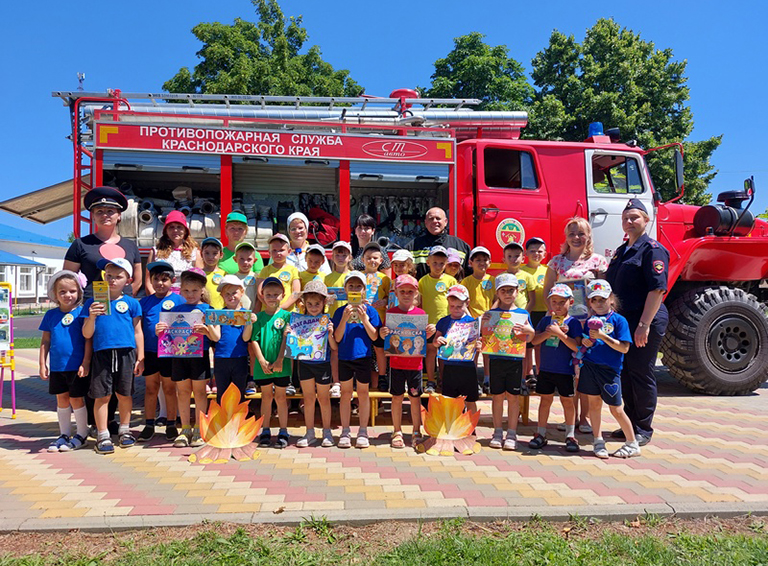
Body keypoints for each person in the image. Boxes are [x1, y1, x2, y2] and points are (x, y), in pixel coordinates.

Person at [605, 199, 669, 447]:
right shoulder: (622, 251)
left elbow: (657, 290)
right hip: (624, 320)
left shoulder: (652, 250)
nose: (629, 222)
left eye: (635, 217)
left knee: (641, 373)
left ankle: (643, 427)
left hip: (644, 318)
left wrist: (644, 325)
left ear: (647, 220)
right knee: (626, 373)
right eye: (626, 218)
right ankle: (630, 423)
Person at [542, 217, 609, 433]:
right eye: (572, 233)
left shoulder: (599, 262)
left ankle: (584, 418)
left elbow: (605, 291)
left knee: (585, 372)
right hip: (565, 326)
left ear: (588, 236)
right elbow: (547, 292)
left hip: (589, 324)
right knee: (569, 372)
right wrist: (555, 317)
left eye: (581, 233)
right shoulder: (556, 262)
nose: (577, 237)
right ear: (566, 237)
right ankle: (569, 419)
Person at [81, 258, 144, 455]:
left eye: (118, 277)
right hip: (102, 354)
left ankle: (125, 430)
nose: (112, 280)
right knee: (102, 395)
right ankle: (102, 433)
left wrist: (140, 357)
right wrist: (91, 317)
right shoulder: (93, 302)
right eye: (109, 276)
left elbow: (138, 331)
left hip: (126, 353)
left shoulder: (132, 303)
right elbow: (86, 334)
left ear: (128, 280)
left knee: (124, 393)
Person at [157, 268, 220, 449]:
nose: (190, 294)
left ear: (202, 290)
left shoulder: (208, 310)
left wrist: (206, 330)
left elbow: (216, 337)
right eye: (186, 290)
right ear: (180, 291)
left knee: (200, 393)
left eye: (194, 290)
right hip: (179, 357)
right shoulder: (175, 310)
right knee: (183, 392)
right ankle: (185, 429)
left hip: (199, 357)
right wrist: (159, 331)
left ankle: (200, 430)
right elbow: (166, 338)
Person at [577, 279, 640, 459]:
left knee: (616, 409)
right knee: (594, 404)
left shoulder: (619, 321)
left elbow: (624, 348)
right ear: (589, 302)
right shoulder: (589, 320)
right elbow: (585, 342)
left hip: (610, 370)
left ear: (611, 299)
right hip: (590, 367)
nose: (599, 303)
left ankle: (632, 443)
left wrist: (603, 336)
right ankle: (597, 441)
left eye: (602, 299)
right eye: (594, 300)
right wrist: (585, 342)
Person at [39, 270, 91, 452]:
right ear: (55, 294)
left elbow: (87, 340)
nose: (68, 295)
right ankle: (64, 434)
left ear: (79, 292)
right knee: (62, 399)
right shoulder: (50, 316)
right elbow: (45, 341)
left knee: (77, 399)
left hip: (76, 367)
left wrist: (85, 362)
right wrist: (42, 364)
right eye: (62, 292)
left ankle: (82, 434)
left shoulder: (82, 313)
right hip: (57, 367)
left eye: (72, 291)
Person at [380, 274, 434, 448]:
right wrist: (383, 333)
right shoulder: (391, 313)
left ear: (415, 293)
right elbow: (385, 336)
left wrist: (429, 333)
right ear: (396, 292)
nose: (405, 294)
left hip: (415, 365)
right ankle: (397, 431)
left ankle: (416, 431)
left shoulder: (421, 314)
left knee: (415, 398)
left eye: (409, 291)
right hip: (396, 364)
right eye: (402, 291)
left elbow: (423, 339)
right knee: (396, 398)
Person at [529, 284, 583, 453]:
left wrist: (561, 334)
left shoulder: (573, 323)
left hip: (565, 371)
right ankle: (541, 433)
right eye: (554, 302)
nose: (558, 306)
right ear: (549, 303)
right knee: (545, 400)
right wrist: (548, 333)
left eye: (562, 302)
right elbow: (535, 341)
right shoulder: (546, 321)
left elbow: (577, 346)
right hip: (546, 369)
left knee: (568, 402)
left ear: (571, 302)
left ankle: (570, 434)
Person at [483, 273, 534, 450]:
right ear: (497, 293)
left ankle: (511, 433)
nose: (507, 294)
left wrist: (529, 330)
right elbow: (484, 336)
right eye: (503, 290)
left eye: (511, 290)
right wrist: (483, 323)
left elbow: (531, 337)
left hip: (515, 361)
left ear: (517, 291)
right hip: (496, 360)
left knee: (513, 398)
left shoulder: (523, 314)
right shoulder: (491, 314)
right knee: (497, 397)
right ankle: (497, 432)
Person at [63, 187, 143, 298]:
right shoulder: (80, 244)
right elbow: (68, 279)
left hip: (123, 309)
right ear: (93, 216)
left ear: (119, 215)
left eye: (110, 211)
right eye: (99, 211)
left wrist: (123, 299)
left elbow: (138, 280)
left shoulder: (131, 246)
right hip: (91, 307)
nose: (105, 215)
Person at [332, 271, 381, 448]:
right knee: (345, 393)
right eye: (351, 286)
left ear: (364, 290)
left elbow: (375, 337)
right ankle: (345, 430)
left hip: (363, 357)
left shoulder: (371, 310)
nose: (354, 289)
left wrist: (364, 319)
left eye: (358, 286)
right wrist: (344, 318)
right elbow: (336, 339)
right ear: (345, 290)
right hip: (345, 357)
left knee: (363, 393)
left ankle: (363, 431)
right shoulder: (339, 311)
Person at [138, 262, 185, 443]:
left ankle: (171, 424)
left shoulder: (180, 300)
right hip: (150, 352)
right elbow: (139, 329)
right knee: (151, 389)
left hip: (171, 353)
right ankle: (149, 424)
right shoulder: (145, 302)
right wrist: (139, 355)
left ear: (172, 281)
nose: (159, 283)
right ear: (150, 281)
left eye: (164, 280)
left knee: (169, 388)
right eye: (155, 279)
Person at [244, 276, 292, 449]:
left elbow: (288, 340)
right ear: (262, 295)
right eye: (269, 294)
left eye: (276, 294)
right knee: (266, 397)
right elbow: (253, 340)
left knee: (281, 397)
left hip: (282, 364)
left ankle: (283, 430)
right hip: (262, 366)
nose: (272, 298)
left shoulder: (288, 316)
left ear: (283, 295)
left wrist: (279, 359)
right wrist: (262, 360)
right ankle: (265, 430)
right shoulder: (258, 317)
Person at [292, 280, 337, 448]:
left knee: (324, 399)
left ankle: (327, 432)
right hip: (304, 363)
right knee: (308, 398)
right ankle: (309, 432)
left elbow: (334, 348)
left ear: (324, 303)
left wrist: (331, 334)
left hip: (322, 364)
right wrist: (289, 335)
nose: (313, 307)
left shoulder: (328, 321)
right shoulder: (297, 321)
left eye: (317, 303)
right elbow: (293, 346)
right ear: (304, 303)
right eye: (309, 303)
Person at [434, 285, 481, 414]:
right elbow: (435, 342)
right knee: (450, 400)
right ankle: (452, 427)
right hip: (449, 367)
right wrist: (438, 341)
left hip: (467, 367)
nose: (455, 310)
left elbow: (477, 344)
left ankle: (471, 427)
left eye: (459, 307)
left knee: (470, 400)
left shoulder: (473, 323)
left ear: (467, 303)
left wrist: (478, 347)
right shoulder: (443, 322)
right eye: (452, 306)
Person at [418, 246, 458, 393]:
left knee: (445, 352)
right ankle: (430, 380)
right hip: (429, 324)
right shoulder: (422, 282)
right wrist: (423, 322)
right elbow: (420, 303)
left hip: (447, 324)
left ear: (446, 263)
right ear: (428, 262)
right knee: (430, 351)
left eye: (441, 263)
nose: (438, 266)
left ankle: (443, 378)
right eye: (435, 263)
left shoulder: (451, 281)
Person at [213, 275, 253, 404]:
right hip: (221, 358)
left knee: (239, 392)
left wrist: (249, 323)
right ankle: (223, 423)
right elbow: (216, 337)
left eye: (234, 292)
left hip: (240, 358)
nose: (231, 296)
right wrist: (208, 323)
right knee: (222, 393)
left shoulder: (245, 314)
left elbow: (246, 338)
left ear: (242, 293)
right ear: (222, 296)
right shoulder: (219, 315)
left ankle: (238, 422)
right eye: (227, 294)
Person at [145, 210, 203, 295]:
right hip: (161, 298)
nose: (175, 230)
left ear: (185, 231)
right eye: (171, 227)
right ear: (166, 231)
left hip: (187, 298)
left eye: (179, 227)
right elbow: (148, 281)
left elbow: (200, 281)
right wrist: (156, 299)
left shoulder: (195, 252)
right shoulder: (155, 251)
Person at [462, 246, 495, 393]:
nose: (482, 263)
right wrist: (471, 318)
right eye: (478, 260)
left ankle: (487, 379)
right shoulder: (466, 282)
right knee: (473, 351)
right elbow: (463, 302)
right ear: (471, 262)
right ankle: (473, 379)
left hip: (489, 321)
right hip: (472, 322)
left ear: (490, 262)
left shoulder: (493, 280)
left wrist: (491, 313)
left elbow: (496, 299)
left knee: (488, 351)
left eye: (485, 260)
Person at [406, 207, 471, 279]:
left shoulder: (462, 247)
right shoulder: (412, 247)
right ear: (426, 223)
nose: (434, 221)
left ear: (446, 222)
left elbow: (469, 276)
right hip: (422, 289)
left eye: (438, 218)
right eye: (431, 219)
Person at [361, 242, 391, 391]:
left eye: (375, 258)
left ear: (380, 261)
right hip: (361, 319)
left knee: (379, 349)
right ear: (362, 260)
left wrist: (383, 301)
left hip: (379, 319)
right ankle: (364, 377)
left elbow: (389, 297)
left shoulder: (385, 279)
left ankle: (382, 376)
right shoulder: (359, 276)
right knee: (366, 350)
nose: (372, 260)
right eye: (368, 258)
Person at [325, 241, 353, 399]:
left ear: (350, 257)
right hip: (334, 318)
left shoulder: (355, 276)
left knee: (350, 351)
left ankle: (349, 384)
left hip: (353, 319)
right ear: (332, 256)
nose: (341, 257)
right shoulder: (327, 278)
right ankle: (336, 382)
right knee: (334, 351)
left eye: (344, 254)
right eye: (337, 254)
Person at [522, 237, 549, 385]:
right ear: (526, 253)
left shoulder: (548, 270)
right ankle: (529, 373)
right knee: (527, 345)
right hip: (527, 312)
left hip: (544, 312)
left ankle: (540, 372)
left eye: (539, 251)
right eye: (532, 251)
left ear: (544, 253)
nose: (536, 254)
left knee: (540, 344)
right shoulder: (521, 271)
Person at [256, 234, 301, 313]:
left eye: (281, 250)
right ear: (269, 252)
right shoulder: (265, 270)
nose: (278, 253)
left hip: (287, 312)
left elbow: (296, 291)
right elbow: (260, 292)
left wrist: (284, 306)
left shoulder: (293, 270)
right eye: (274, 250)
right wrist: (270, 306)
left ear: (289, 251)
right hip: (268, 312)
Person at [200, 237, 226, 310]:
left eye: (215, 253)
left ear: (221, 255)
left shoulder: (225, 275)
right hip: (203, 312)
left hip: (222, 312)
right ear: (201, 254)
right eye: (207, 253)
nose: (210, 257)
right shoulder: (198, 275)